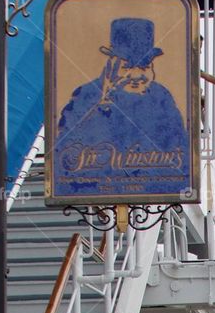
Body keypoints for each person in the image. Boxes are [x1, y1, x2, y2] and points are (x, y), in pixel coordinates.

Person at [55, 17, 187, 195]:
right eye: (126, 67)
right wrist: (104, 104)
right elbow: (64, 159)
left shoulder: (162, 97)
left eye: (144, 67)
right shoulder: (85, 97)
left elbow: (182, 154)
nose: (136, 75)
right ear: (110, 65)